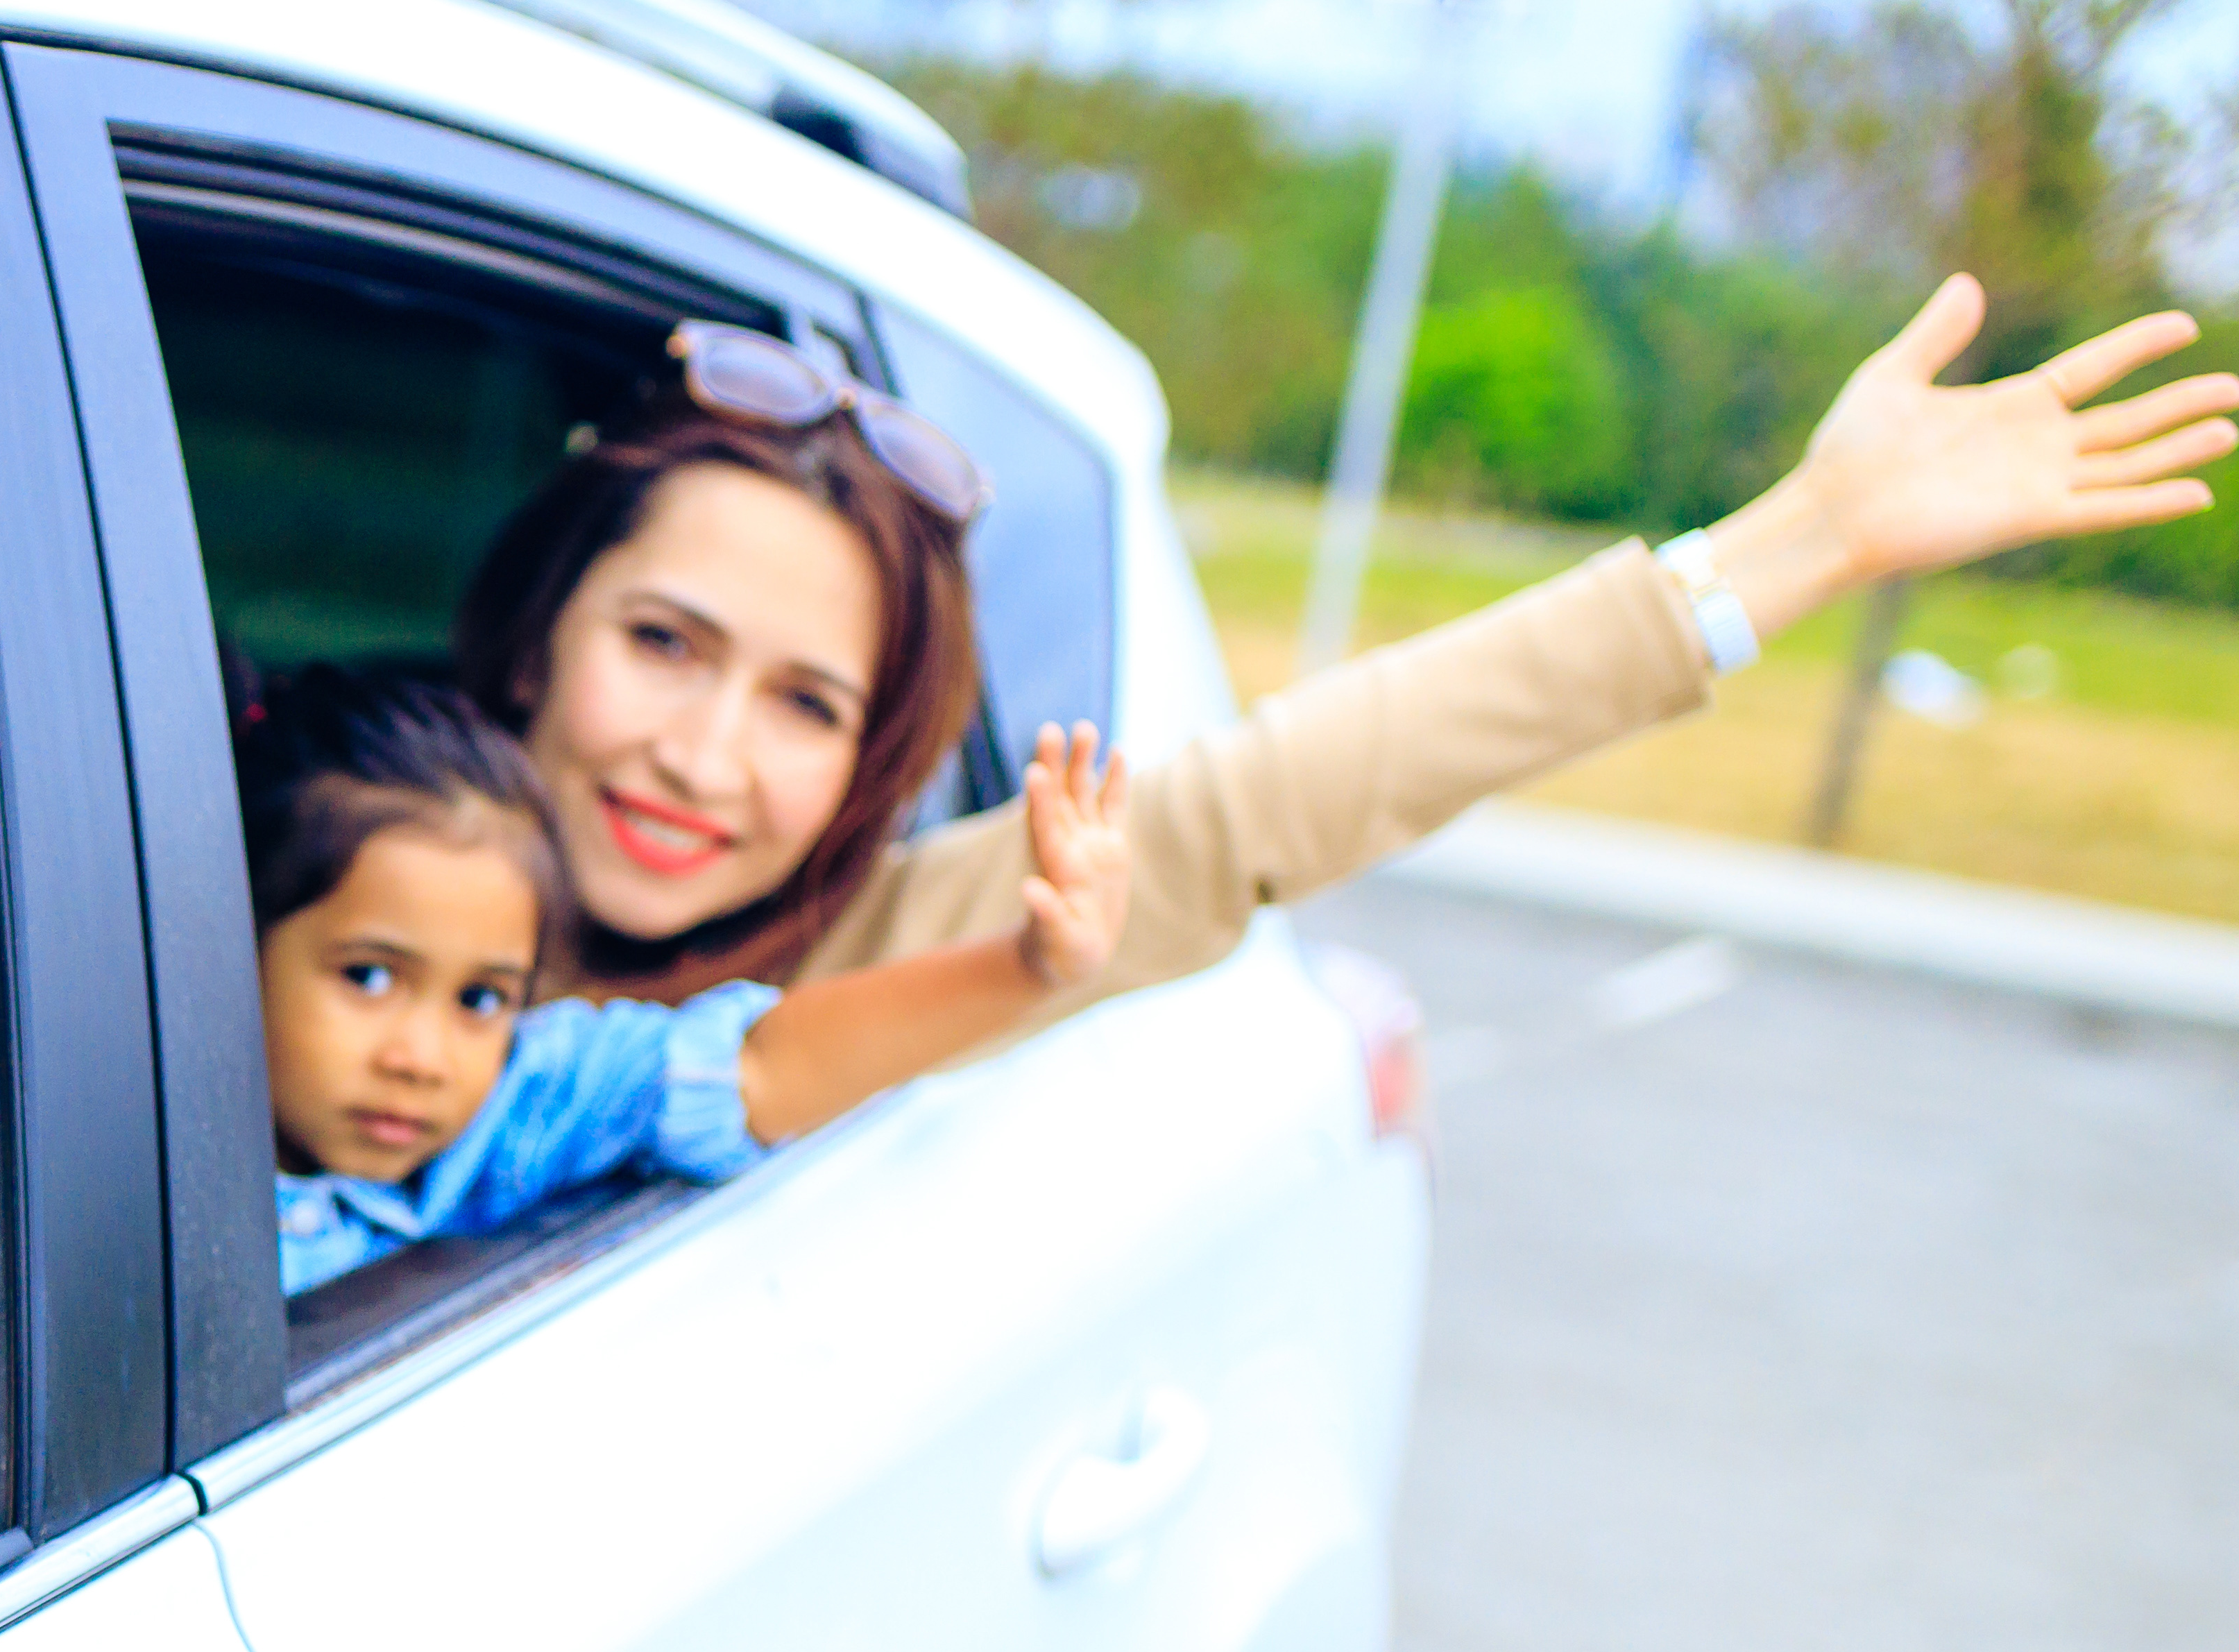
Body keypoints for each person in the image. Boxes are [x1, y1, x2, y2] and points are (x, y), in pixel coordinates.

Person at [455, 279, 2238, 1019]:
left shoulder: (885, 953)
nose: (701, 756)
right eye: (665, 642)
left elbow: (1276, 798)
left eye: (807, 705)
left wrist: (1808, 540)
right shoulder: (249, 861)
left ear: (874, 763)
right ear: (537, 634)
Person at [250, 664, 1133, 1295]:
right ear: (235, 945)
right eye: (368, 977)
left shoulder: (515, 1109)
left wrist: (1026, 966)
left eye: (482, 1000)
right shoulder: (126, 1171)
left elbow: (757, 1070)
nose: (423, 1057)